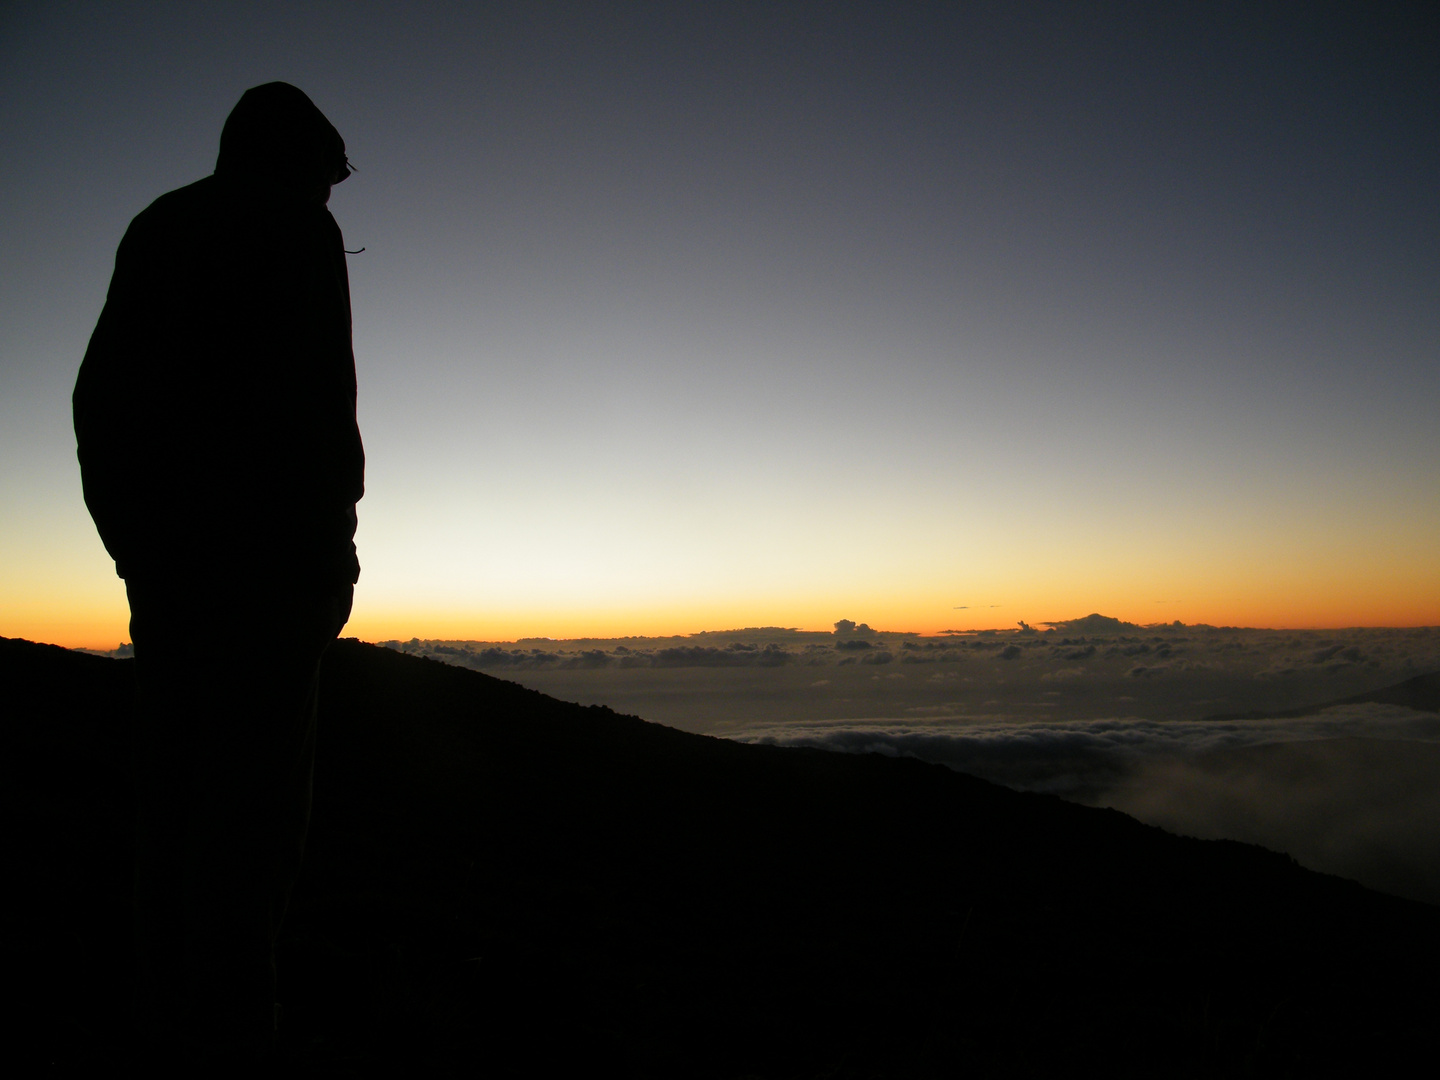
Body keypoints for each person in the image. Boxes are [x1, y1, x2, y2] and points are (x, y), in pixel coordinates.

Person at [72, 82, 364, 1068]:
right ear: (299, 161)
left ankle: (165, 1019)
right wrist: (331, 561)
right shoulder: (294, 231)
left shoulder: (160, 226)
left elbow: (98, 399)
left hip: (170, 576)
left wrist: (134, 547)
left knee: (174, 803)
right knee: (255, 824)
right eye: (327, 180)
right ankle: (232, 1041)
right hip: (266, 581)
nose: (332, 200)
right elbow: (321, 414)